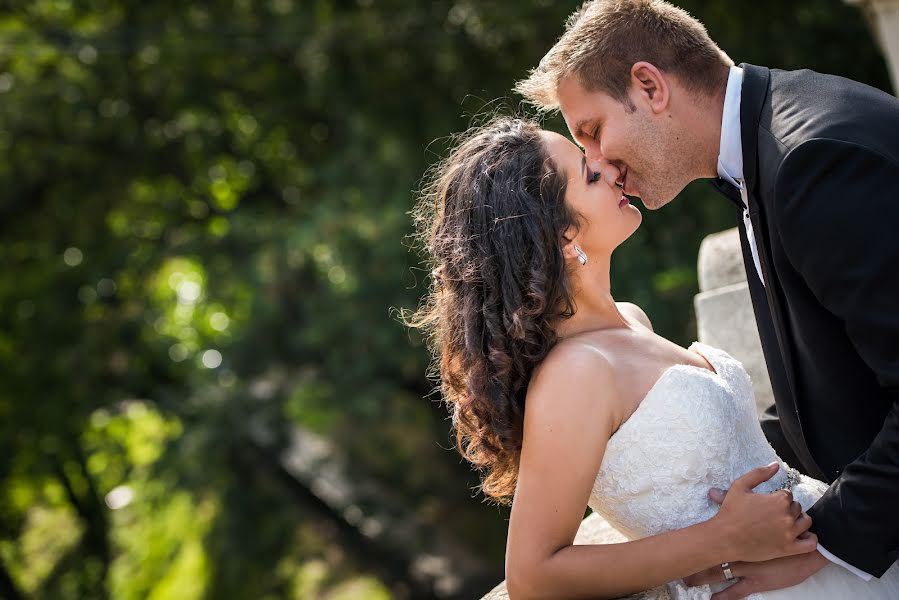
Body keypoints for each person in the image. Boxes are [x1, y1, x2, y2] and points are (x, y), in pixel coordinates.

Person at [407, 116, 899, 599]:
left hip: (829, 556)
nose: (610, 166)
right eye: (588, 172)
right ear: (561, 234)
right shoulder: (575, 373)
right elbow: (534, 577)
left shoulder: (631, 319)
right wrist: (721, 541)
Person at [515, 0, 899, 597]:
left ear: (649, 85)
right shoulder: (776, 143)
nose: (601, 165)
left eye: (592, 132)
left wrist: (828, 541)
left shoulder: (809, 163)